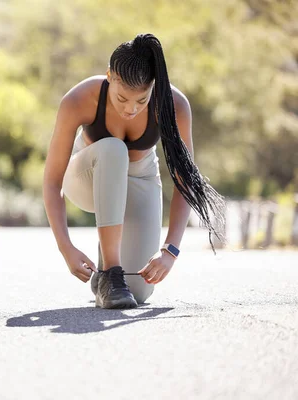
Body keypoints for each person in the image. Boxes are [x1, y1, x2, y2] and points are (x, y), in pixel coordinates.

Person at [43, 33, 225, 309]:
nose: (131, 108)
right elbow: (52, 180)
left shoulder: (175, 105)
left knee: (138, 292)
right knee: (114, 149)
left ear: (153, 86)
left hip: (139, 177)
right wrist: (65, 247)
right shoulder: (80, 99)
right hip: (86, 177)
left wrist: (170, 251)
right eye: (122, 98)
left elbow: (185, 182)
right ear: (109, 76)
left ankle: (108, 268)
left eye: (141, 101)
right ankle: (111, 274)